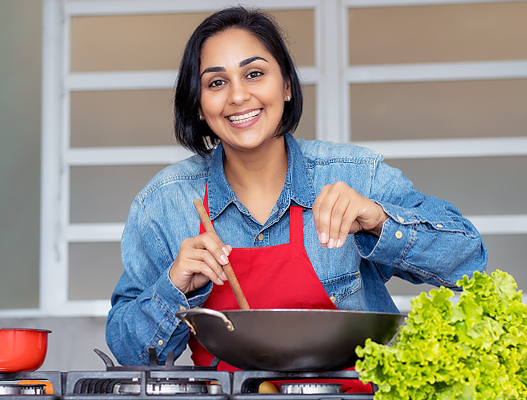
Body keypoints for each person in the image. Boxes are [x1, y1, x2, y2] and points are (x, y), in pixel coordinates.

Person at [106, 5, 487, 375]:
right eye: (217, 82)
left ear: (286, 85)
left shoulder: (355, 174)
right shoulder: (165, 202)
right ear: (199, 105)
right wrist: (174, 288)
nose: (237, 96)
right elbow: (130, 353)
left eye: (254, 74)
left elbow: (469, 260)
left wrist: (379, 220)